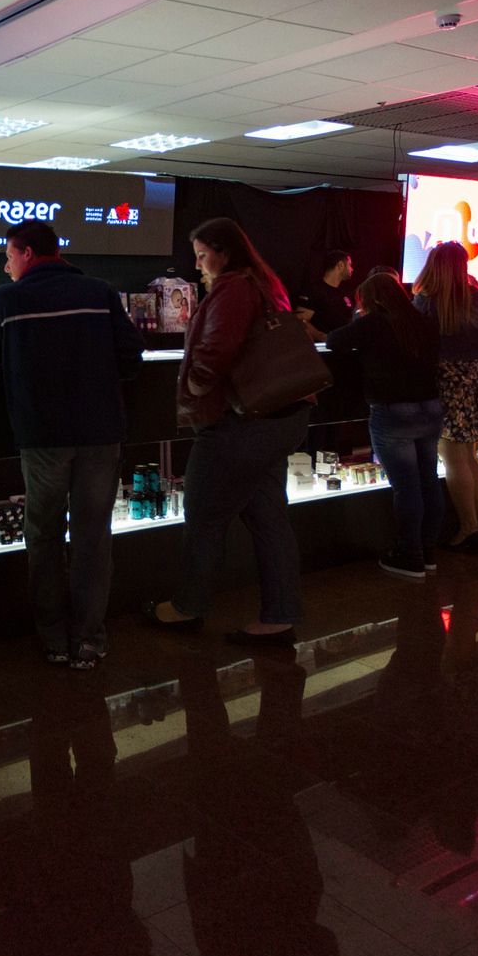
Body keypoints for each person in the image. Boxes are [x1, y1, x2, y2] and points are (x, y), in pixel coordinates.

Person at [0, 219, 145, 670]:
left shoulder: (6, 300)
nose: (7, 265)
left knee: (44, 535)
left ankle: (53, 637)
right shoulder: (99, 292)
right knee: (93, 537)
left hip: (41, 436)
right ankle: (89, 639)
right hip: (100, 432)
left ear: (28, 253)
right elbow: (132, 355)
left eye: (9, 256)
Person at [145, 218, 312, 645]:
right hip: (278, 416)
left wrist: (195, 385)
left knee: (203, 514)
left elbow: (217, 349)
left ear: (224, 252)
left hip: (239, 422)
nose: (198, 264)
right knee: (268, 517)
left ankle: (188, 607)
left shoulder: (234, 287)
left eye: (203, 255)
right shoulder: (264, 283)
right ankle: (280, 615)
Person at [327, 274, 444, 579]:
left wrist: (359, 318)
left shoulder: (373, 324)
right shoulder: (423, 322)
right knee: (428, 480)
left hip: (393, 411)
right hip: (430, 407)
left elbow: (334, 341)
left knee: (406, 487)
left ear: (373, 300)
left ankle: (410, 555)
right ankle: (428, 552)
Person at [413, 241, 478, 552]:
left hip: (446, 381)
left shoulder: (426, 301)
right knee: (469, 457)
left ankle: (468, 528)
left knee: (453, 459)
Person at [296, 249, 355, 339]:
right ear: (340, 265)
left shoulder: (344, 294)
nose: (352, 269)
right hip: (323, 346)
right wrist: (322, 336)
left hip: (342, 345)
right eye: (350, 265)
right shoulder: (314, 290)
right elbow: (300, 320)